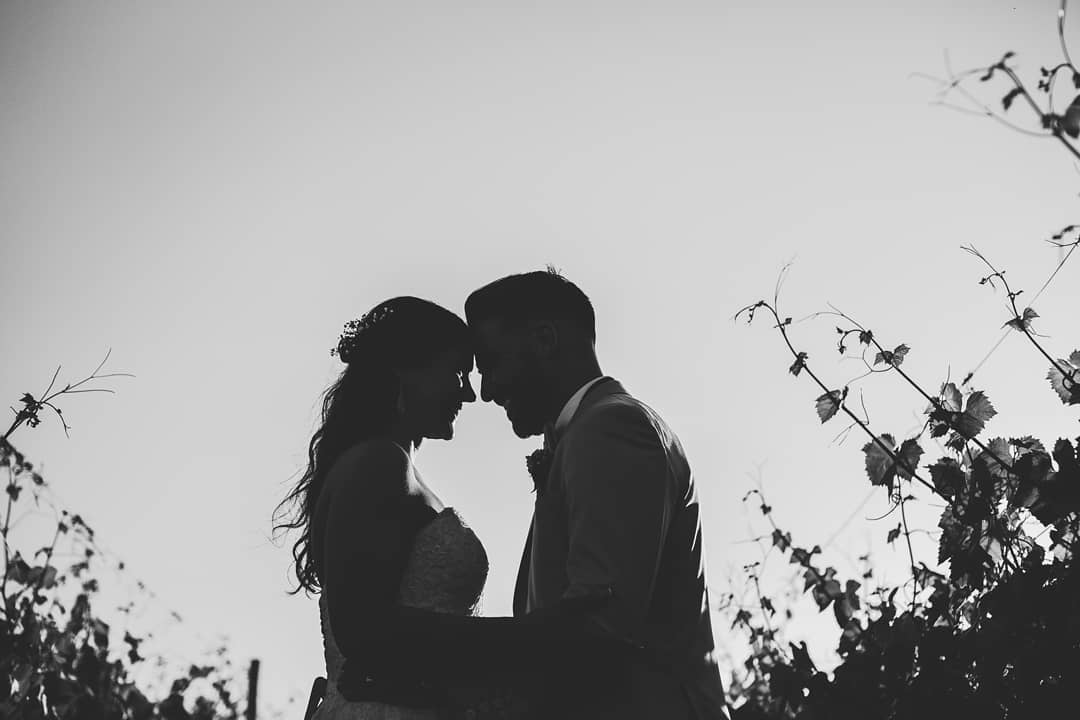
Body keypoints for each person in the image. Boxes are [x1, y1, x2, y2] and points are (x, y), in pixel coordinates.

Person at [276, 296, 613, 720]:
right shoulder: (378, 464)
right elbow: (364, 628)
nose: (471, 394)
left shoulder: (389, 465)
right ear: (405, 372)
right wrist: (529, 636)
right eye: (458, 373)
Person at [465, 269, 731, 719]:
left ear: (545, 339)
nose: (486, 391)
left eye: (491, 363)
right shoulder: (582, 436)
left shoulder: (611, 429)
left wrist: (440, 650)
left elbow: (599, 630)